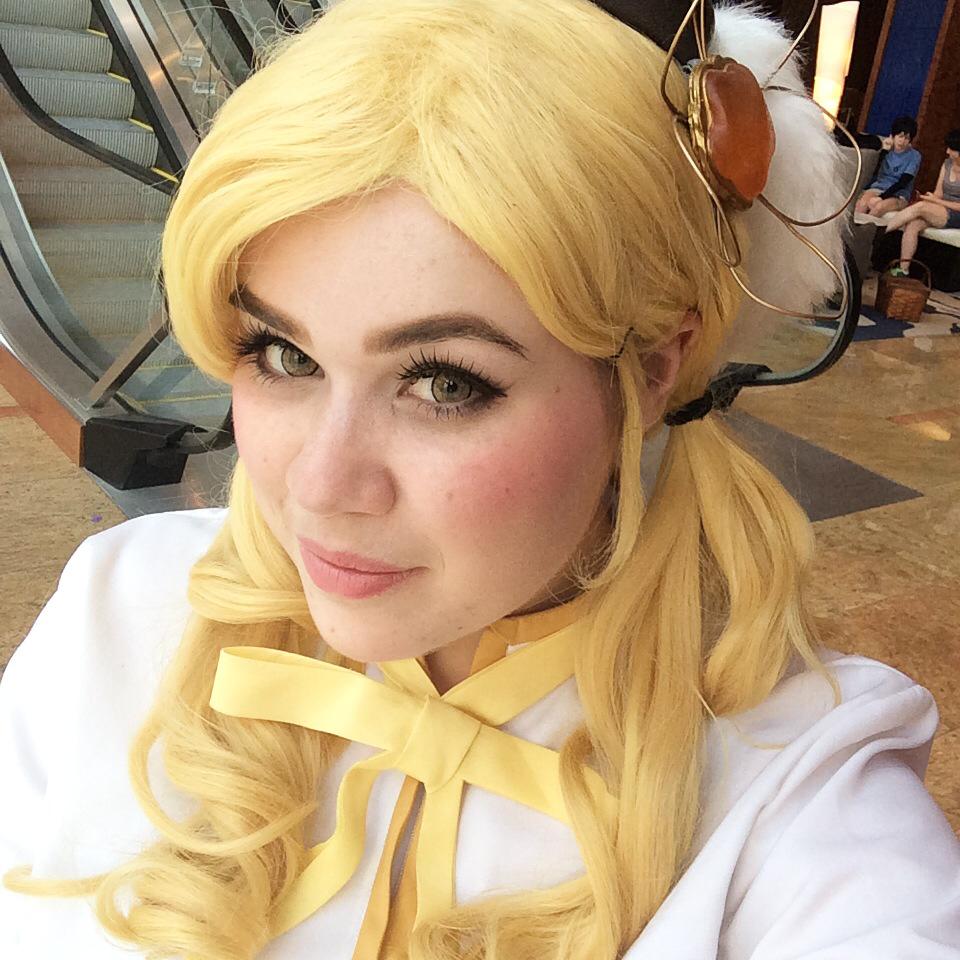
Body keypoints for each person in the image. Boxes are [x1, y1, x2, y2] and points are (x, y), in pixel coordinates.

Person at [2, 2, 959, 959]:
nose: (321, 488)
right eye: (285, 356)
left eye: (444, 383)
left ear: (653, 370)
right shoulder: (115, 613)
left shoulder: (803, 790)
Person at [884, 128, 960, 276]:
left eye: (951, 149)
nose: (947, 152)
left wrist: (933, 202)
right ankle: (903, 270)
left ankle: (879, 231)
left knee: (920, 207)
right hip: (941, 209)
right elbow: (939, 193)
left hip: (956, 213)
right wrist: (930, 198)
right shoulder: (947, 164)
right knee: (913, 224)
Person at [854, 115, 922, 218]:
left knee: (878, 207)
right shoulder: (886, 152)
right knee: (862, 204)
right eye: (900, 136)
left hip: (899, 194)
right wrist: (884, 151)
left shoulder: (914, 156)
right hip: (878, 187)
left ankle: (865, 227)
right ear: (893, 136)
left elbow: (903, 182)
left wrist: (882, 197)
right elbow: (875, 172)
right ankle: (855, 227)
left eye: (907, 138)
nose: (902, 141)